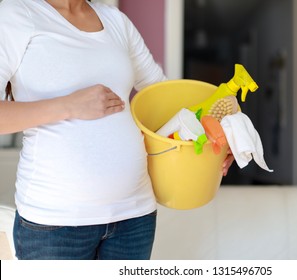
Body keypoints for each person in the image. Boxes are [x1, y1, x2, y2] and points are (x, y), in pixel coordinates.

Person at [0, 0, 234, 260]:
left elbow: (165, 98)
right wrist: (68, 106)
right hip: (55, 222)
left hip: (134, 217)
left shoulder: (115, 20)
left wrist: (221, 137)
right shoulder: (17, 14)